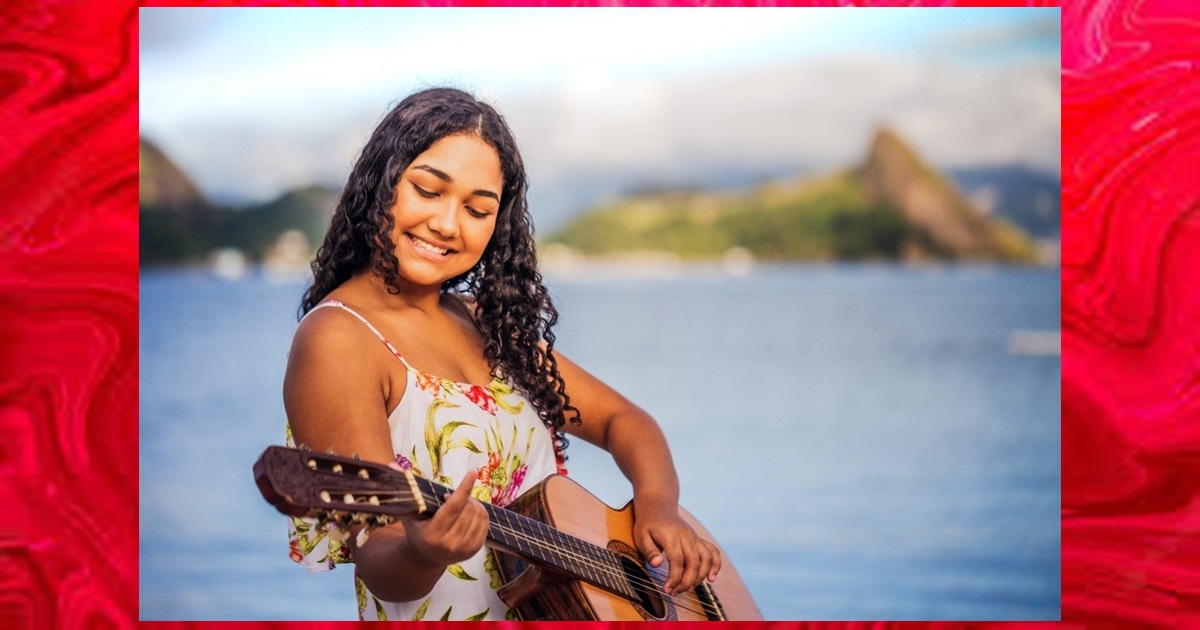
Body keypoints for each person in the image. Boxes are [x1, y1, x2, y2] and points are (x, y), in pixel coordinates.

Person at [282, 87, 719, 621]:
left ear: (497, 226)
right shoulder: (337, 339)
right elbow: (379, 563)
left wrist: (657, 507)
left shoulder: (484, 322)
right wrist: (425, 550)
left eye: (477, 208)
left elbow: (625, 421)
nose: (447, 224)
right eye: (427, 190)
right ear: (381, 184)